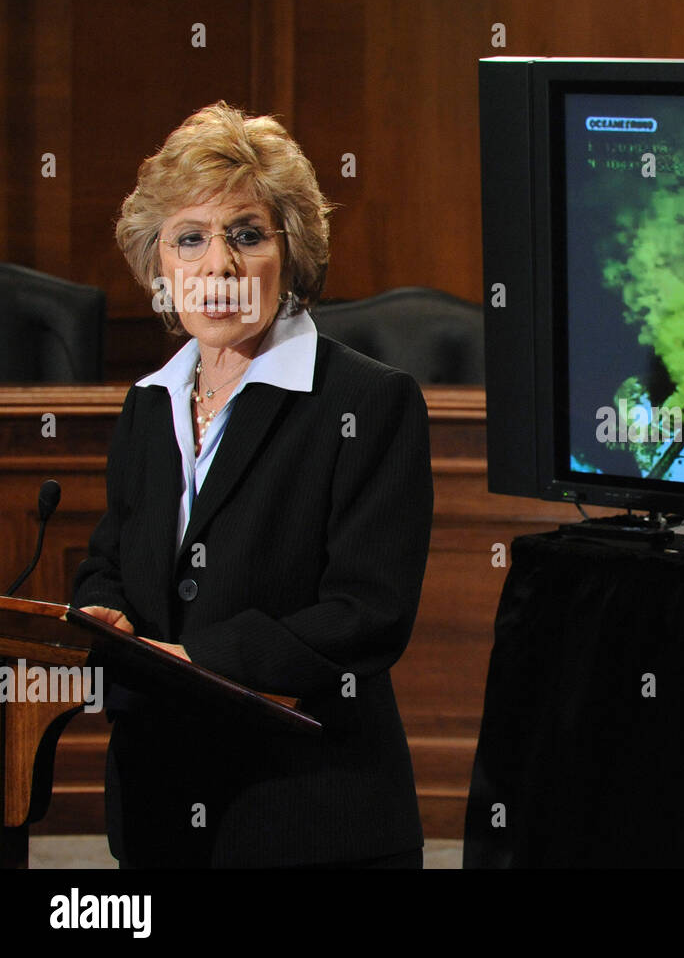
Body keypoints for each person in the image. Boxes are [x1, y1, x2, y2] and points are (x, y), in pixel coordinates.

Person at [72, 101, 433, 868]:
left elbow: (366, 613)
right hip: (161, 810)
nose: (219, 267)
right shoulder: (149, 405)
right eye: (190, 239)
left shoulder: (369, 403)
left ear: (291, 253)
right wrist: (101, 616)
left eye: (246, 235)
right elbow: (112, 559)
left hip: (309, 818)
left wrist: (191, 658)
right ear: (160, 265)